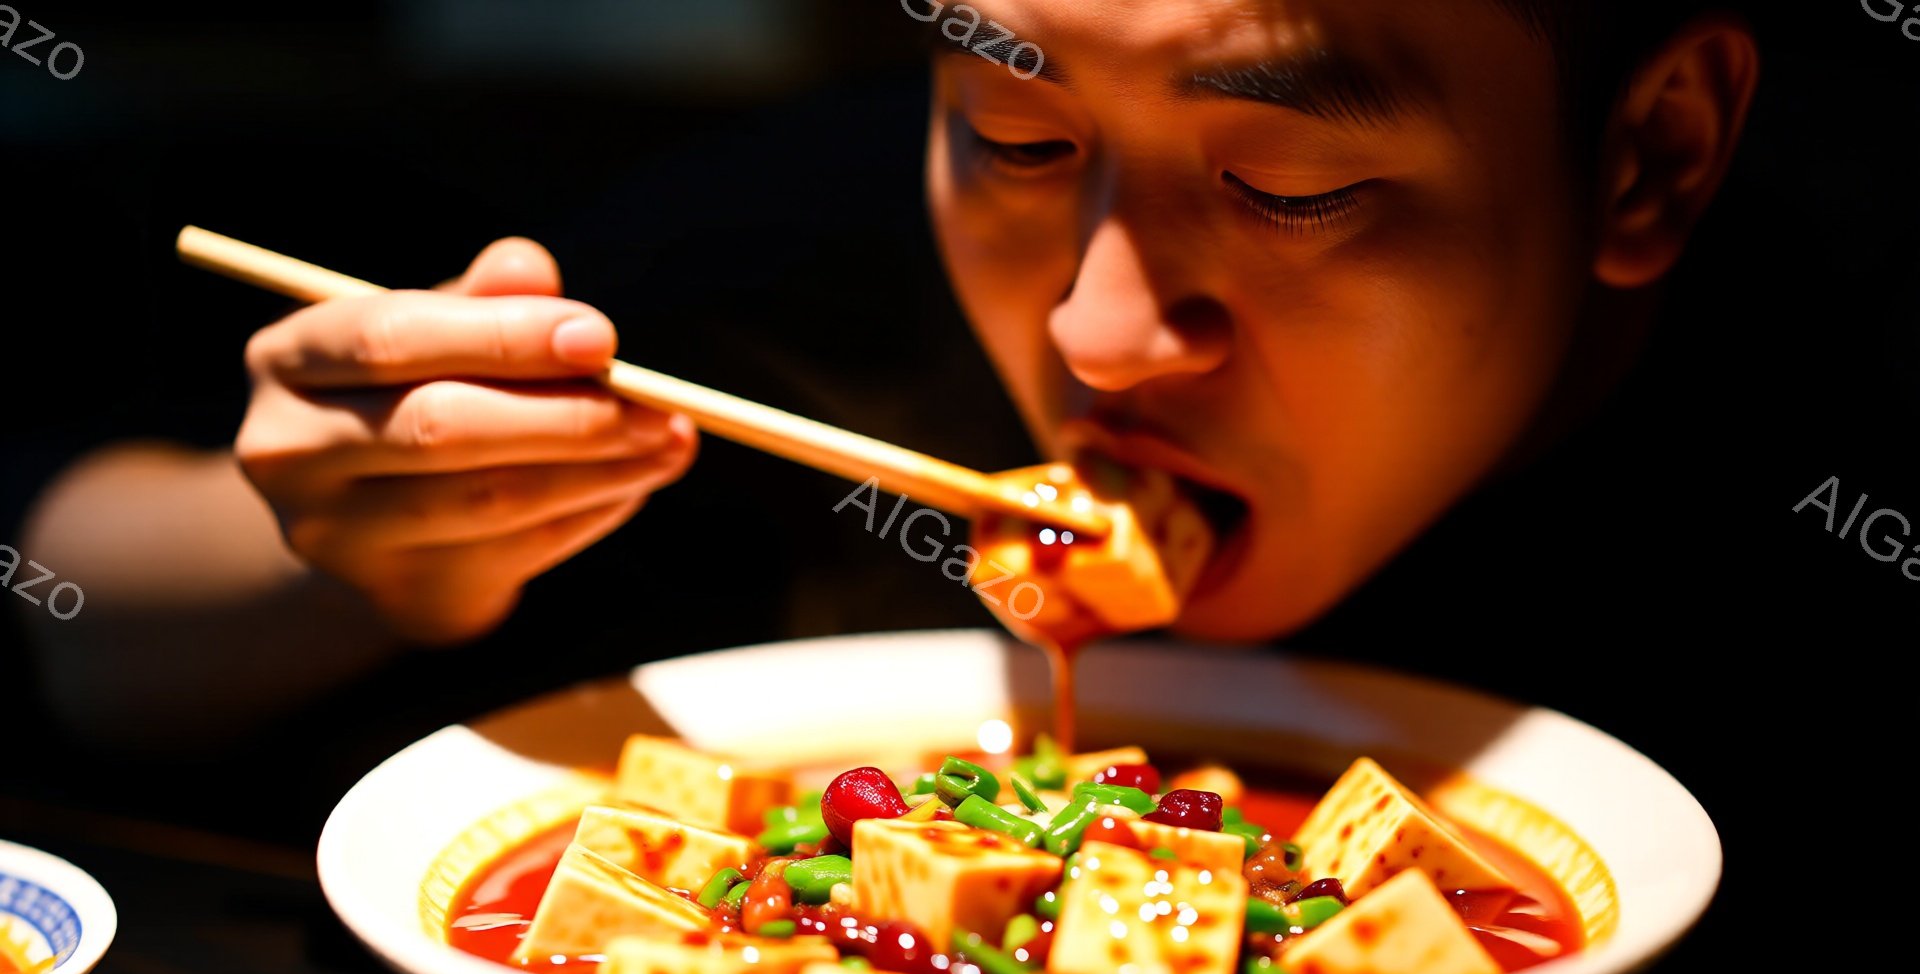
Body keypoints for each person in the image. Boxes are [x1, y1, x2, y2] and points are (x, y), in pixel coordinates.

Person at [16, 0, 1758, 727]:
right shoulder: (781, 278)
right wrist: (350, 554)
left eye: (1287, 186)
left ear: (1648, 157)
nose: (1090, 332)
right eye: (1013, 140)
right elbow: (67, 612)